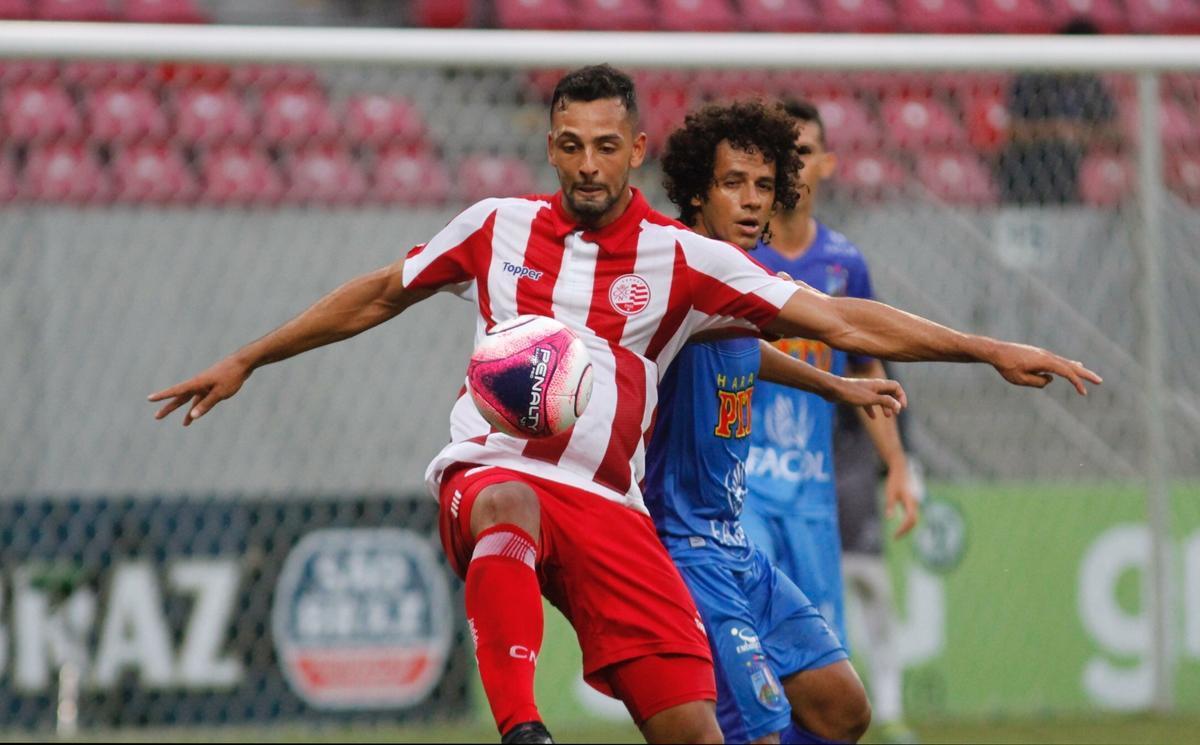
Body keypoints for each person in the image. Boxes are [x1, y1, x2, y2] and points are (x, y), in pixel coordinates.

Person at [148, 65, 1100, 745]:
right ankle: (522, 725)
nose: (589, 164)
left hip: (614, 508)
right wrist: (248, 357)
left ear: (637, 149)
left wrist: (985, 348)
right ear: (550, 145)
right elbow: (377, 292)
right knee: (508, 503)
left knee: (701, 729)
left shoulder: (686, 260)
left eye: (608, 146)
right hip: (495, 473)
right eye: (570, 145)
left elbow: (837, 312)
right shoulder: (497, 227)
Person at [648, 99, 900, 745]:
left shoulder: (753, 275)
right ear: (697, 193)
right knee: (759, 726)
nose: (753, 199)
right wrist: (991, 350)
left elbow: (750, 343)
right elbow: (848, 324)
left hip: (751, 529)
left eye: (764, 184)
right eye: (734, 184)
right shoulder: (678, 267)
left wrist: (836, 384)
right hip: (690, 541)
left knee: (844, 709)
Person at [743, 99, 921, 648]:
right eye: (781, 154)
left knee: (819, 657)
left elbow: (868, 367)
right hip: (745, 488)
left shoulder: (846, 265)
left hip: (814, 492)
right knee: (752, 633)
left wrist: (895, 465)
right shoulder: (740, 256)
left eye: (804, 152)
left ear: (827, 164)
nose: (792, 165)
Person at [835, 362, 923, 745]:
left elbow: (890, 396)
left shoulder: (857, 351)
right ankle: (822, 709)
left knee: (874, 600)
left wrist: (903, 465)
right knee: (820, 617)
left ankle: (889, 713)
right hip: (802, 499)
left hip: (856, 499)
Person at [996, 19, 1119, 205]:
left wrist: (1080, 133)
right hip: (1028, 172)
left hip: (1076, 173)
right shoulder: (1033, 81)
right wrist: (1055, 131)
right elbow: (1012, 130)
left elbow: (1114, 130)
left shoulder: (1091, 85)